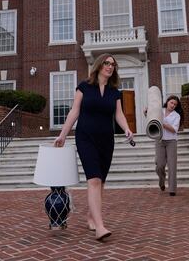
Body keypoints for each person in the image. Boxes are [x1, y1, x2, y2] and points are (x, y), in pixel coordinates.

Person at [54, 53, 134, 241]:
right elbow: (74, 111)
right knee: (94, 180)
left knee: (101, 182)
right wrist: (63, 134)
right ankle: (99, 226)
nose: (109, 67)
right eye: (106, 63)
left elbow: (119, 115)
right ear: (99, 66)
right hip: (86, 138)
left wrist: (127, 129)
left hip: (106, 140)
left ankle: (91, 217)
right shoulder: (84, 87)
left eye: (113, 65)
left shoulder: (115, 92)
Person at [155, 95, 184, 196]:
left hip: (171, 141)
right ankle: (161, 181)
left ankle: (172, 189)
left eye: (175, 104)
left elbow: (174, 129)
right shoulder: (159, 111)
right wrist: (146, 111)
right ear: (167, 102)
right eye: (171, 103)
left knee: (172, 166)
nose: (173, 105)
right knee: (159, 165)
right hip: (160, 140)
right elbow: (151, 118)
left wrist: (162, 124)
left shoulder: (177, 116)